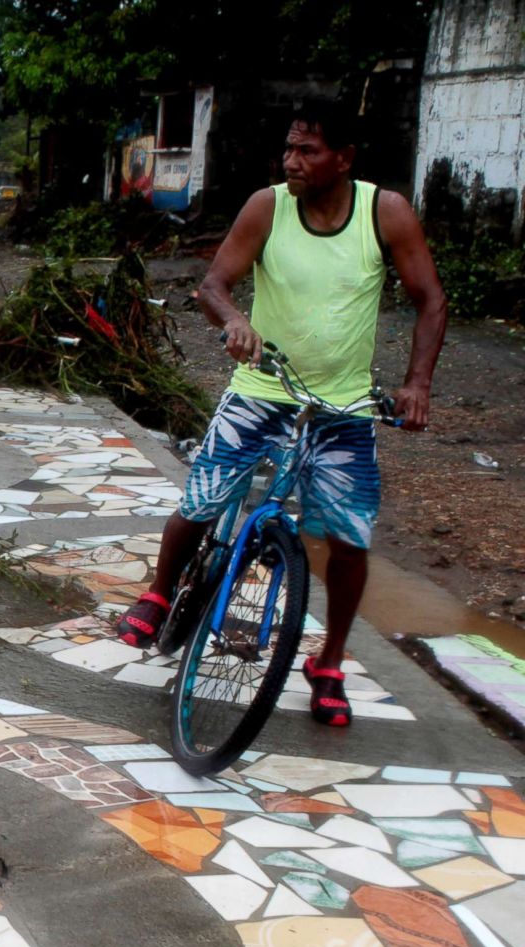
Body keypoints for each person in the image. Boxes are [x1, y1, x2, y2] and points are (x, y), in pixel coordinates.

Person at [114, 101, 447, 727]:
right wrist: (236, 321)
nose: (293, 161)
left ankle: (331, 661)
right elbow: (214, 285)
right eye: (289, 149)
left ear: (344, 159)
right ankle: (160, 592)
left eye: (309, 151)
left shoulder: (386, 213)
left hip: (342, 406)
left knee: (348, 540)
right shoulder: (269, 206)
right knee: (203, 498)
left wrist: (417, 385)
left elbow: (430, 300)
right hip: (263, 389)